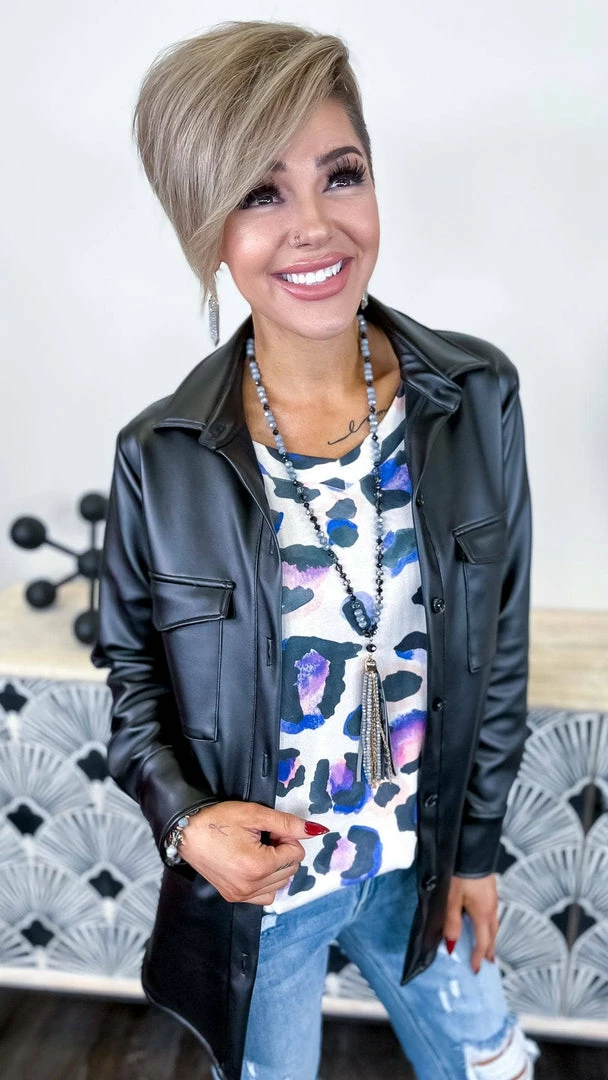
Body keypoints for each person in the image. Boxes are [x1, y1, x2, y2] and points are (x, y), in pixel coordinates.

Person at [91, 19, 540, 1080]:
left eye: (340, 175)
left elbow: (500, 639)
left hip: (420, 862)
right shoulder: (162, 455)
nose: (313, 227)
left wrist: (475, 852)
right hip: (268, 895)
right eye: (260, 193)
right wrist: (186, 824)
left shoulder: (474, 397)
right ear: (207, 228)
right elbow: (132, 676)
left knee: (493, 1068)